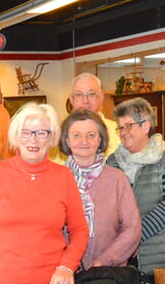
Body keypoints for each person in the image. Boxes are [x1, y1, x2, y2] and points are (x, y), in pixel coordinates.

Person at [0, 102, 89, 284]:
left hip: (52, 279)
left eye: (41, 133)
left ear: (51, 139)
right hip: (3, 278)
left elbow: (80, 230)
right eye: (26, 132)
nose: (33, 140)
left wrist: (67, 266)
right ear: (16, 136)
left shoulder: (63, 176)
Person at [60, 109, 141, 270]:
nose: (84, 141)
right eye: (76, 135)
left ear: (100, 139)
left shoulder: (117, 178)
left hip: (109, 272)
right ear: (67, 141)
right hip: (64, 273)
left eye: (91, 135)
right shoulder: (56, 179)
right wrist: (66, 264)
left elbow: (133, 228)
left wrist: (102, 262)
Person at [107, 97, 165, 275]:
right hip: (122, 263)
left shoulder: (163, 158)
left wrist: (134, 237)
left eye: (129, 125)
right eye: (120, 127)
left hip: (157, 260)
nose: (123, 132)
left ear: (146, 126)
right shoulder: (112, 162)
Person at [51, 73, 120, 163]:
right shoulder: (55, 134)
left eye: (91, 94)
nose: (85, 100)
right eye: (79, 95)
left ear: (101, 97)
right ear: (71, 99)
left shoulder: (119, 132)